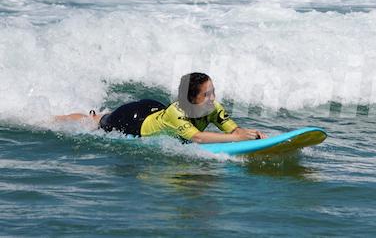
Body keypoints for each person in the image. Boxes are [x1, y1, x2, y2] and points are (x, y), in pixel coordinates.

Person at [55, 72, 266, 143]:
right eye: (206, 94)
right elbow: (197, 137)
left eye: (213, 92)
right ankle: (56, 118)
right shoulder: (177, 112)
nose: (213, 98)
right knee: (96, 122)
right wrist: (235, 138)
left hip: (155, 109)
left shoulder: (213, 107)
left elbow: (234, 129)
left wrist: (248, 134)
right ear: (191, 98)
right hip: (133, 120)